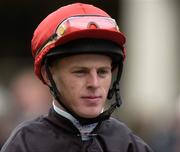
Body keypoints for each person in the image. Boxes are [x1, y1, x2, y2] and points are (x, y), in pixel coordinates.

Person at [1, 3, 154, 152]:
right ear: (47, 75)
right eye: (80, 72)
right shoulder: (25, 144)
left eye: (102, 72)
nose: (94, 83)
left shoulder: (129, 143)